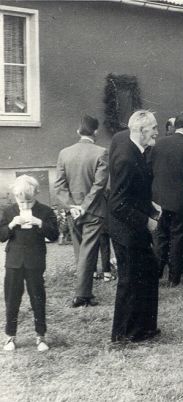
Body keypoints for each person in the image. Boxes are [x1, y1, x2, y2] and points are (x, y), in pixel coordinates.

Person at [109, 110, 161, 343]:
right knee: (130, 280)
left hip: (134, 219)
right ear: (141, 131)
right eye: (154, 128)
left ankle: (145, 328)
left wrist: (148, 203)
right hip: (126, 229)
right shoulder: (126, 160)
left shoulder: (122, 138)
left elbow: (130, 191)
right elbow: (117, 204)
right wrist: (147, 221)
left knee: (148, 272)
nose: (157, 132)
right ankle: (124, 334)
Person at [54, 114, 109, 307]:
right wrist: (84, 207)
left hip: (73, 211)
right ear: (96, 132)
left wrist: (72, 206)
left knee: (80, 251)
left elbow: (59, 186)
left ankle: (83, 293)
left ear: (78, 131)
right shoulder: (101, 152)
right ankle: (82, 294)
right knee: (88, 251)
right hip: (92, 211)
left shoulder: (64, 153)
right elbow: (99, 185)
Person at [0, 175, 59, 351]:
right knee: (11, 299)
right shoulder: (9, 211)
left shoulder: (46, 211)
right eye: (20, 200)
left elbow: (54, 235)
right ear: (15, 196)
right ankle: (10, 336)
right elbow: (1, 236)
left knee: (38, 298)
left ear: (35, 194)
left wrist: (39, 223)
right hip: (14, 261)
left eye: (29, 200)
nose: (24, 204)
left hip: (35, 261)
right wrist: (10, 225)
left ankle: (41, 337)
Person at [151, 110, 183, 286]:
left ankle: (155, 274)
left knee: (160, 237)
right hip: (181, 201)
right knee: (178, 238)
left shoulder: (158, 144)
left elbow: (151, 169)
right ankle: (174, 278)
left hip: (158, 200)